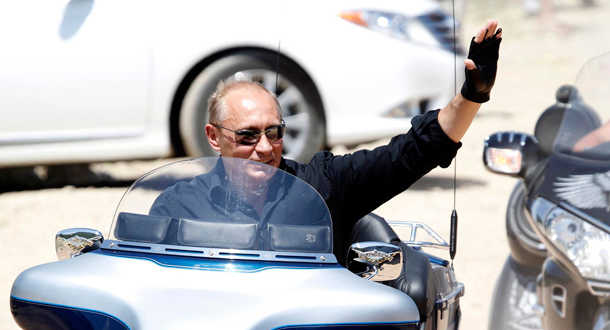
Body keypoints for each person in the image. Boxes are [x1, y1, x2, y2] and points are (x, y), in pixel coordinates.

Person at [157, 19, 503, 265]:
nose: (264, 148)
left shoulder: (324, 185)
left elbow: (414, 151)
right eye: (248, 135)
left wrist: (472, 95)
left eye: (274, 133)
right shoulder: (177, 207)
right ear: (214, 137)